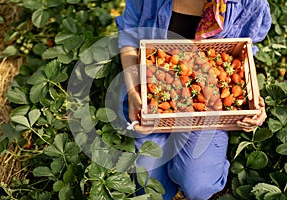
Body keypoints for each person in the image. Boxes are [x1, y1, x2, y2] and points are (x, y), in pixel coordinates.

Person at [115, 0, 271, 199]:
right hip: (154, 96)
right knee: (152, 189)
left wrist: (251, 103)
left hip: (208, 107)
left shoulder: (250, 2)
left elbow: (245, 53)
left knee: (198, 186)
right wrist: (133, 91)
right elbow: (128, 39)